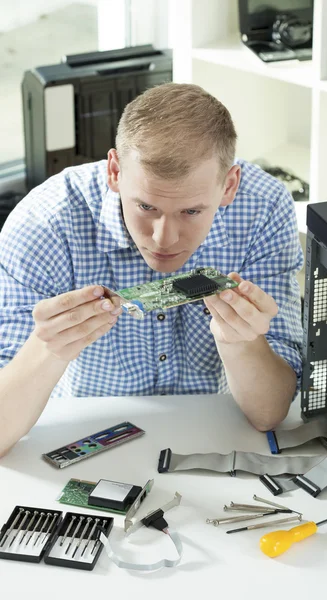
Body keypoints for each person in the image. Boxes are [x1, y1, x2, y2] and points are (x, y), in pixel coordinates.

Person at [0, 83, 303, 457]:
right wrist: (49, 349)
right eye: (146, 207)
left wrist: (242, 343)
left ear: (229, 186)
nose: (164, 238)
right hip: (84, 438)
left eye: (191, 211)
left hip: (215, 438)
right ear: (115, 171)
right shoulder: (44, 223)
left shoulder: (264, 208)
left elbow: (269, 415)